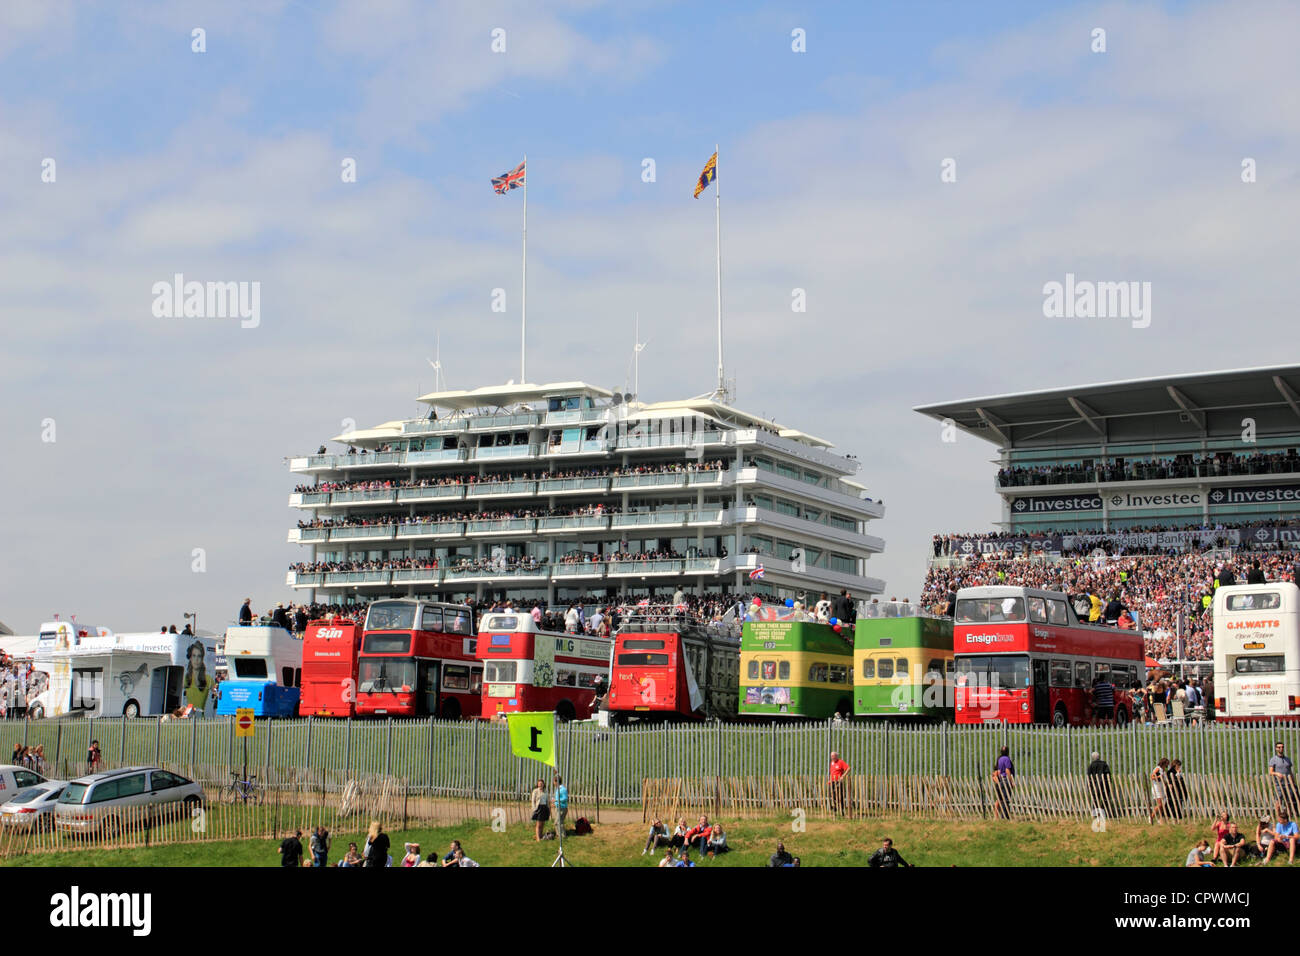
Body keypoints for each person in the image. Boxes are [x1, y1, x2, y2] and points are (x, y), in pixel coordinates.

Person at [1269, 740, 1296, 816]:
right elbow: (1271, 772)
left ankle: (1288, 815)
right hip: (1279, 784)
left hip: (1288, 783)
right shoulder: (1273, 759)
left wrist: (1293, 781)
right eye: (1279, 747)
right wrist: (1276, 773)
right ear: (1276, 749)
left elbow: (1290, 771)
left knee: (1289, 800)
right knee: (1278, 800)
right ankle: (1278, 815)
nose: (1281, 748)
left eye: (1282, 747)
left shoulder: (1287, 759)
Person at [1086, 751, 1114, 818]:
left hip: (1095, 785)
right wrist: (1109, 783)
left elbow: (1089, 776)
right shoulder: (1104, 765)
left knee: (1095, 800)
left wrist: (1089, 786)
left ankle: (1095, 814)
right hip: (1104, 785)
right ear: (1099, 757)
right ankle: (1103, 813)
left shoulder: (1091, 766)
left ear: (1093, 758)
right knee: (1105, 799)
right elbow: (1108, 774)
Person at [993, 746, 1014, 820]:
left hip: (1001, 780)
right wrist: (1011, 781)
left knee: (1000, 799)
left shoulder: (999, 759)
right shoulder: (1007, 759)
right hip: (1005, 780)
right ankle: (1005, 817)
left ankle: (998, 817)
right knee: (1006, 799)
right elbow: (1007, 770)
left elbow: (998, 771)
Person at [829, 750, 851, 815]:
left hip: (838, 782)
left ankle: (842, 810)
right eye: (831, 756)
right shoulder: (832, 763)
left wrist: (843, 776)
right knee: (832, 796)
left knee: (840, 796)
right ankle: (834, 810)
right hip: (832, 781)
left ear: (836, 756)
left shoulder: (840, 762)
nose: (832, 757)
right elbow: (832, 772)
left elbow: (848, 768)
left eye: (833, 756)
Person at [1150, 758, 1170, 823]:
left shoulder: (1163, 770)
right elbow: (1152, 777)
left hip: (1161, 788)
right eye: (1167, 763)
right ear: (1164, 763)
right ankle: (1151, 817)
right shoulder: (1158, 768)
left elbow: (1163, 779)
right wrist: (1159, 777)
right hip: (1156, 788)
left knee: (1162, 805)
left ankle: (1160, 819)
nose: (1168, 765)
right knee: (1159, 804)